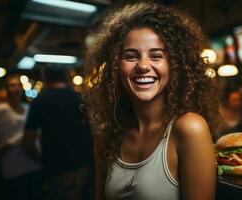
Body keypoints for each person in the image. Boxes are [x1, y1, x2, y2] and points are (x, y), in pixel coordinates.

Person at [83, 2, 218, 200]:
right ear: (115, 66)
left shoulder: (189, 128)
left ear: (175, 65)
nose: (143, 66)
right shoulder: (106, 135)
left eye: (156, 56)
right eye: (131, 56)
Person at [22, 66, 94, 200]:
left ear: (45, 78)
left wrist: (39, 159)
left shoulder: (39, 101)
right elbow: (94, 131)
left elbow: (28, 139)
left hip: (55, 167)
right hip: (85, 164)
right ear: (67, 77)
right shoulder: (81, 98)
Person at [0, 75, 41, 200]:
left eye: (19, 85)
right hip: (12, 164)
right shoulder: (0, 110)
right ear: (6, 89)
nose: (16, 88)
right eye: (12, 85)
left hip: (32, 161)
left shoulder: (27, 107)